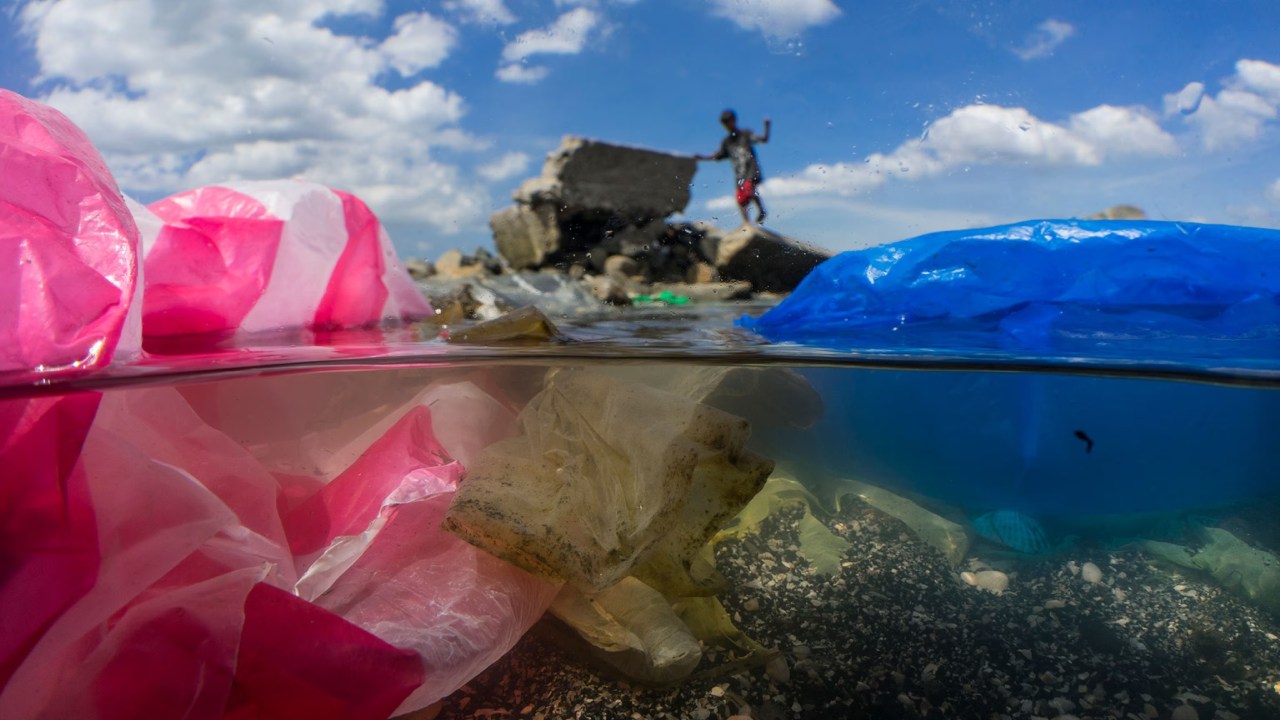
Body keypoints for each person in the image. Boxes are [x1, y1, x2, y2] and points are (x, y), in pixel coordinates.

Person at [695, 109, 771, 225]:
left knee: (748, 189)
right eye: (724, 124)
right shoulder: (727, 142)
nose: (727, 126)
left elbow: (764, 139)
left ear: (734, 121)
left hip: (751, 169)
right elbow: (717, 155)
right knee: (740, 200)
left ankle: (761, 210)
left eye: (728, 122)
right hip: (739, 174)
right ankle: (746, 224)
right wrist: (703, 157)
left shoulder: (745, 134)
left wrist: (767, 126)